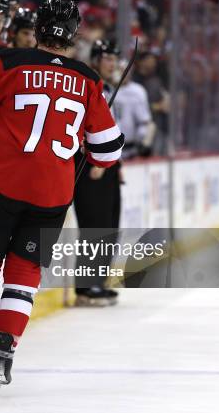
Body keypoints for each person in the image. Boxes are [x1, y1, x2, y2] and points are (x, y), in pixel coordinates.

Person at [0, 0, 124, 394]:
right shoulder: (88, 79)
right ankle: (4, 353)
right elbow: (108, 150)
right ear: (72, 35)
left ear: (38, 28)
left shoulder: (10, 61)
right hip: (52, 193)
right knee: (24, 273)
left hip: (1, 183)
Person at [73, 39, 123, 307]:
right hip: (91, 167)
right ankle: (86, 285)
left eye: (114, 59)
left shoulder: (110, 89)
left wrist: (118, 166)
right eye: (106, 58)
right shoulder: (86, 86)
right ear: (95, 60)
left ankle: (98, 281)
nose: (111, 63)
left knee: (109, 227)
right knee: (94, 227)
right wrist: (93, 162)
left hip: (110, 168)